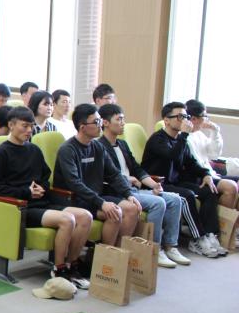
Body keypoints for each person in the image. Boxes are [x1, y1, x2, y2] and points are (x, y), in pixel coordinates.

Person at [0, 107, 94, 287]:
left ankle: (72, 265)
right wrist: (27, 192)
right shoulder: (0, 153)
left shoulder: (34, 149)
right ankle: (59, 269)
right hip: (21, 208)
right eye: (24, 126)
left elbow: (45, 176)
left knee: (85, 216)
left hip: (42, 202)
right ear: (11, 125)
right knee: (67, 220)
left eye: (31, 126)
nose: (29, 130)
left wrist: (41, 187)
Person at [97, 104, 196, 265]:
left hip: (134, 189)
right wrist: (127, 179)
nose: (123, 123)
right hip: (117, 192)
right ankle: (154, 249)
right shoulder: (99, 146)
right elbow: (105, 175)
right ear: (105, 123)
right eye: (119, 119)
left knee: (175, 199)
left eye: (123, 119)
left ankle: (171, 246)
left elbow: (137, 168)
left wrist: (153, 184)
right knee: (158, 203)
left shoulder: (122, 144)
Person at [53, 104, 141, 247]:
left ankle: (118, 252)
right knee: (115, 213)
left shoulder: (98, 146)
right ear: (83, 127)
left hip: (95, 197)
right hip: (76, 199)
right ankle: (105, 254)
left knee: (132, 208)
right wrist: (101, 203)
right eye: (97, 122)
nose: (101, 125)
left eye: (100, 120)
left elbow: (114, 174)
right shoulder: (68, 150)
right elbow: (75, 184)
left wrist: (128, 194)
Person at [142, 102, 223, 256]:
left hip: (175, 182)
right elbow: (172, 155)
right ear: (166, 120)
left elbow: (192, 163)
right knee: (187, 196)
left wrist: (206, 174)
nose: (185, 120)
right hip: (156, 184)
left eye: (186, 116)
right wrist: (184, 135)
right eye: (180, 117)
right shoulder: (157, 139)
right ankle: (197, 238)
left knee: (209, 191)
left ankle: (210, 234)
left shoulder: (180, 140)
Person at [185, 99, 239, 210]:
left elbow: (214, 154)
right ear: (194, 119)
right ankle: (223, 220)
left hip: (210, 174)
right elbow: (195, 165)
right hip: (199, 177)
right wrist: (207, 174)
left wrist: (215, 131)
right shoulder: (184, 137)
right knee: (231, 187)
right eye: (205, 116)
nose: (207, 119)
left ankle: (232, 219)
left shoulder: (198, 134)